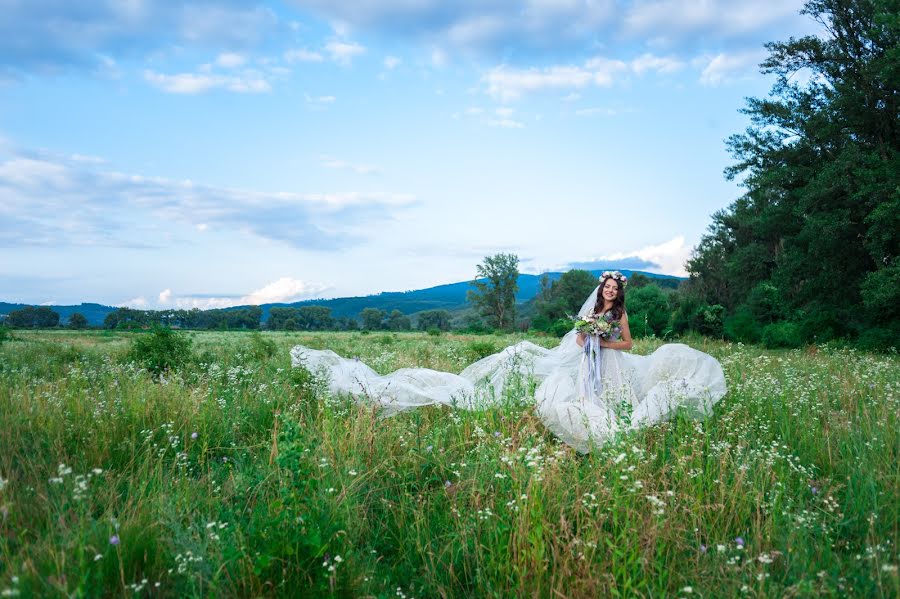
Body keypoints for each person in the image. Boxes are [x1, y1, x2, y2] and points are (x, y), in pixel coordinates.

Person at [289, 271, 726, 453]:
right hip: (584, 360)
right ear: (601, 290)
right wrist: (587, 336)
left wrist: (605, 344)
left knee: (614, 397)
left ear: (619, 293)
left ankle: (612, 424)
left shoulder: (620, 316)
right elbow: (576, 339)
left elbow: (629, 345)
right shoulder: (589, 314)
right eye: (606, 288)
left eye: (614, 288)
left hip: (610, 361)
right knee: (575, 392)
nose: (610, 292)